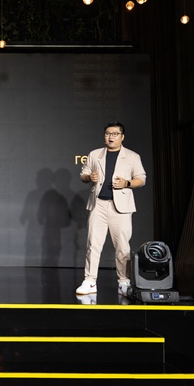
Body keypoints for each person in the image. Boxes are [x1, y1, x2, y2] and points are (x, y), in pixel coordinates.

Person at [75, 122, 146, 297]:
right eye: (108, 133)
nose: (111, 137)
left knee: (122, 246)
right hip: (98, 204)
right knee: (93, 244)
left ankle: (124, 282)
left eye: (115, 134)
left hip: (120, 207)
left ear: (122, 137)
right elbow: (83, 174)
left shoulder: (132, 156)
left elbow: (141, 179)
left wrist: (127, 183)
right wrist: (89, 177)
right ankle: (90, 281)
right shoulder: (94, 154)